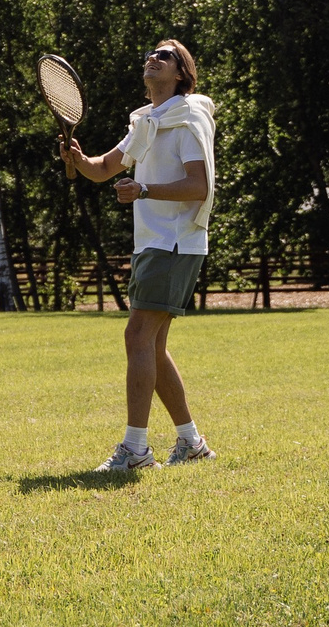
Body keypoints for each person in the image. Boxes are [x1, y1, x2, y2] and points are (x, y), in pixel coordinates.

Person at [61, 39, 217, 472]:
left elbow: (199, 186)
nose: (153, 58)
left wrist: (144, 189)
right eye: (152, 53)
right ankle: (191, 442)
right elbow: (103, 168)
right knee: (153, 345)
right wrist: (78, 158)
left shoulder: (186, 120)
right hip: (153, 241)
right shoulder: (147, 120)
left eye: (164, 56)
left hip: (175, 241)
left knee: (136, 337)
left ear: (181, 73)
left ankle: (135, 450)